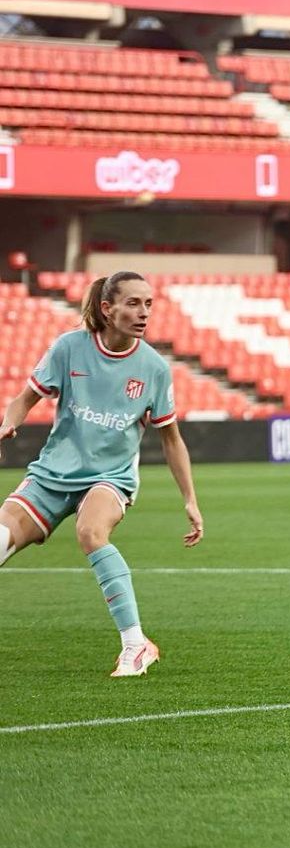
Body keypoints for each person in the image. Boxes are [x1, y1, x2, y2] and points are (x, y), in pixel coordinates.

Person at [0, 271, 204, 677]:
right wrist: (8, 423)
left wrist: (190, 500)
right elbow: (24, 400)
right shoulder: (68, 348)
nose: (144, 312)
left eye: (148, 304)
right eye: (133, 303)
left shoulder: (154, 368)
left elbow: (171, 440)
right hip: (52, 473)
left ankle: (136, 645)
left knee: (91, 533)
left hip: (109, 477)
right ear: (107, 309)